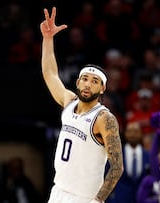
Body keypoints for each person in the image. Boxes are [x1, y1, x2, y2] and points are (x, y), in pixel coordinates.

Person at [40, 7, 124, 203]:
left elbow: (117, 166)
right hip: (58, 191)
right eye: (85, 79)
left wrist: (99, 199)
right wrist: (48, 39)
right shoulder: (69, 102)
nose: (88, 84)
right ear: (78, 82)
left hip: (84, 198)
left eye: (95, 81)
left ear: (102, 88)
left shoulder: (104, 118)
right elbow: (50, 74)